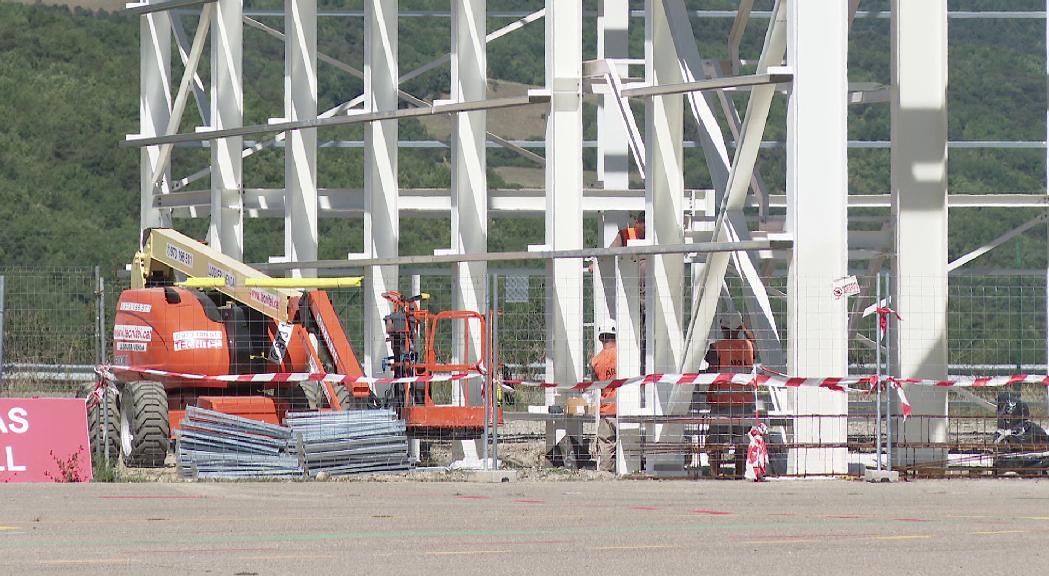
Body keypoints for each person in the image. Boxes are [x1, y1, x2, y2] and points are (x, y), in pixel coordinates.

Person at [704, 313, 756, 478]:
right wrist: (744, 329)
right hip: (744, 401)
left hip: (722, 401)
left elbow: (711, 370)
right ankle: (740, 473)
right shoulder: (748, 346)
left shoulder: (717, 347)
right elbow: (755, 349)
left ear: (723, 328)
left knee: (715, 440)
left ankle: (715, 473)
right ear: (739, 328)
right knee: (741, 441)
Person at [590, 320, 618, 472]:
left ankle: (605, 477)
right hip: (624, 408)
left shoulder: (596, 361)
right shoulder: (623, 355)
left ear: (601, 338)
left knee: (607, 445)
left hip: (607, 410)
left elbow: (594, 384)